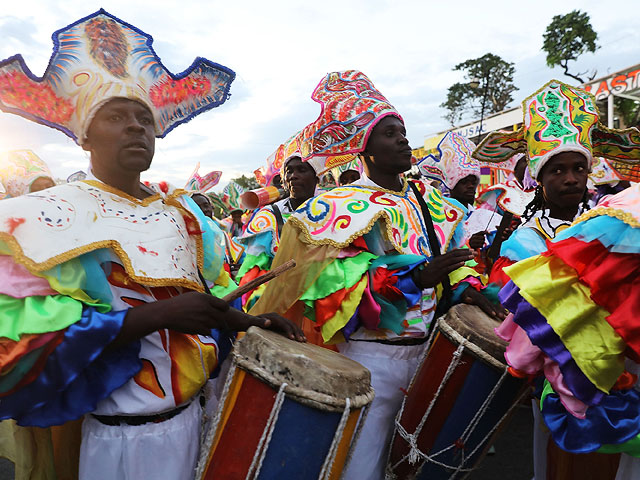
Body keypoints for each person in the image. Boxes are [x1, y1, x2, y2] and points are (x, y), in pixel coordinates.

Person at [0, 10, 303, 480]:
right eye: (116, 117)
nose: (136, 127)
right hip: (122, 438)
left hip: (199, 418)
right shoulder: (45, 217)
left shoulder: (184, 215)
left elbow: (204, 298)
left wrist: (251, 321)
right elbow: (15, 334)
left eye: (144, 118)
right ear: (85, 136)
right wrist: (153, 317)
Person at [250, 70, 504, 479]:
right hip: (372, 358)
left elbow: (458, 263)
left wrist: (467, 289)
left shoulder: (434, 203)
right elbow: (335, 292)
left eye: (402, 130)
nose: (403, 139)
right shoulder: (340, 207)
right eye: (389, 133)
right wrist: (416, 279)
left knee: (419, 464)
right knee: (361, 465)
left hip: (431, 351)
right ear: (364, 150)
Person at [474, 79, 640, 479]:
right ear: (539, 179)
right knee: (556, 464)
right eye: (558, 170)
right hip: (559, 369)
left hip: (626, 366)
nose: (570, 178)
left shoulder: (616, 222)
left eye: (578, 168)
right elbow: (524, 313)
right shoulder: (526, 239)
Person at [235, 147, 320, 311]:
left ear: (317, 178)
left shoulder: (332, 211)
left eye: (302, 170)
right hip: (280, 298)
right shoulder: (268, 216)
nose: (294, 176)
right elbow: (254, 272)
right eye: (289, 172)